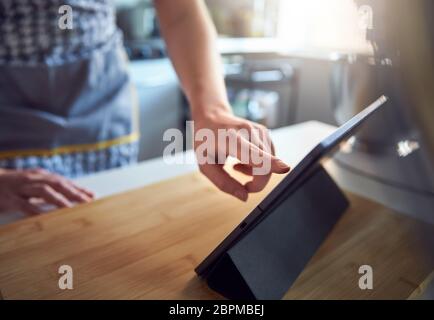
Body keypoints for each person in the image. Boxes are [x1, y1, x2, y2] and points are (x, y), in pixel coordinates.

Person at [0, 0, 290, 216]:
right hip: (8, 107)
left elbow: (180, 12)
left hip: (101, 100)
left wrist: (212, 112)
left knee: (103, 222)